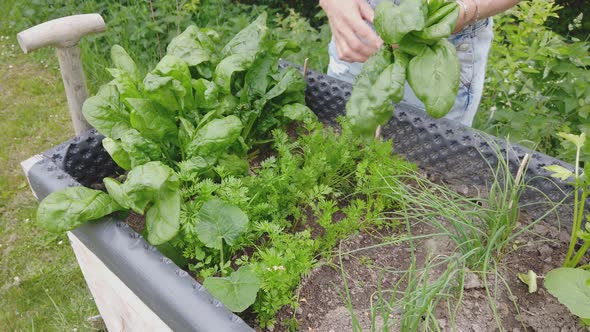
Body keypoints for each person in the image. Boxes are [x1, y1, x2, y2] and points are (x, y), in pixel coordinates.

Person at [320, 0, 521, 127]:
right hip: (361, 20)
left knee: (423, 175)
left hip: (442, 35)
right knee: (340, 131)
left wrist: (469, 8)